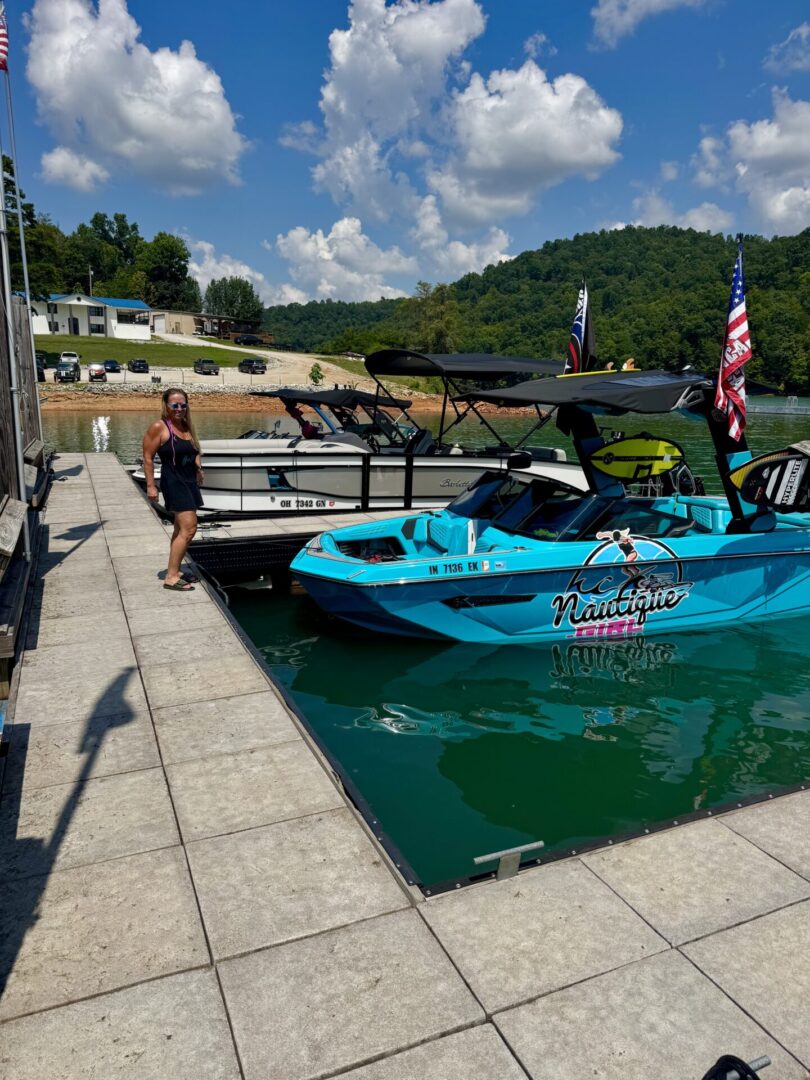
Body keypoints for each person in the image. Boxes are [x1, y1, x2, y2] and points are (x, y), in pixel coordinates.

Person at [142, 388, 204, 591]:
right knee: (189, 528)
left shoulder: (186, 426)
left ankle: (175, 570)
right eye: (174, 405)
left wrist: (198, 468)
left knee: (180, 529)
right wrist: (151, 485)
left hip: (188, 481)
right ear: (166, 406)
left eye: (183, 405)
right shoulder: (159, 427)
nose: (179, 409)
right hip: (173, 481)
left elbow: (194, 450)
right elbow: (148, 457)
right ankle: (170, 577)